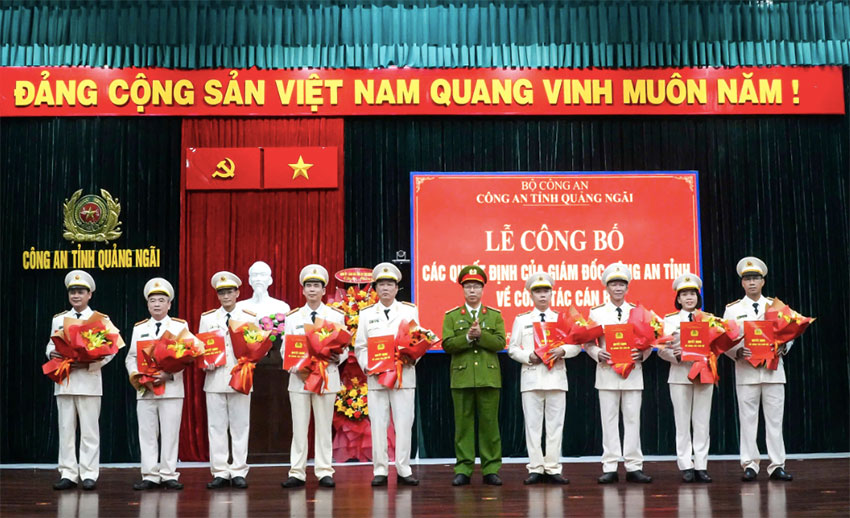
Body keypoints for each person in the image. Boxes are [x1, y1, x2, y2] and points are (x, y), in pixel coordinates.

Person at [723, 256, 793, 482]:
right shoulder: (733, 309)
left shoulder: (775, 306)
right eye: (747, 279)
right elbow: (724, 340)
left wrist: (784, 347)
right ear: (742, 283)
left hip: (773, 371)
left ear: (763, 281)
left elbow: (790, 334)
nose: (752, 282)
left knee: (775, 421)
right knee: (748, 419)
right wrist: (735, 352)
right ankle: (750, 464)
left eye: (755, 278)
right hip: (746, 372)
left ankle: (777, 465)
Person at [507, 271, 581, 485]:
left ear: (551, 293)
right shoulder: (522, 320)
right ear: (531, 294)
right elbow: (512, 348)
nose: (542, 295)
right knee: (532, 426)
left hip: (556, 377)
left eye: (545, 291)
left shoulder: (562, 318)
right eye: (537, 291)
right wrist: (527, 357)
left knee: (555, 426)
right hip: (531, 378)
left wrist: (563, 351)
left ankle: (553, 468)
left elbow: (577, 345)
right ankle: (536, 468)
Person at [46, 270, 115, 491]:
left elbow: (111, 350)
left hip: (89, 379)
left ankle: (89, 473)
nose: (76, 296)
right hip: (64, 380)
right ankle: (68, 473)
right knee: (66, 429)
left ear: (89, 295)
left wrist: (89, 363)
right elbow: (50, 345)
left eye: (80, 292)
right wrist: (51, 354)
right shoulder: (58, 319)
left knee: (89, 431)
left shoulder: (100, 319)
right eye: (73, 292)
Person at [281, 265, 348, 489]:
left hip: (326, 377)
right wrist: (297, 366)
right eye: (308, 286)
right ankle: (297, 472)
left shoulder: (335, 316)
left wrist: (336, 357)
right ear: (302, 290)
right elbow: (285, 349)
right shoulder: (293, 317)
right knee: (299, 428)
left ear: (323, 290)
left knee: (323, 426)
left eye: (316, 286)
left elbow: (345, 347)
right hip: (299, 379)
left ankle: (324, 470)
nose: (312, 290)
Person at [354, 262, 420, 486]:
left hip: (403, 376)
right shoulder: (366, 315)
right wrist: (367, 365)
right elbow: (360, 347)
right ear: (375, 288)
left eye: (389, 284)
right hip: (377, 378)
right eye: (381, 284)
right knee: (378, 424)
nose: (385, 288)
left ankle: (403, 468)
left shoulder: (410, 311)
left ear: (396, 288)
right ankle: (380, 469)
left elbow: (418, 341)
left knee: (403, 424)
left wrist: (412, 357)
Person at [586, 263, 653, 484]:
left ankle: (634, 466)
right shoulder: (596, 313)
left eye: (622, 284)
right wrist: (597, 352)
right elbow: (587, 342)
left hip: (632, 373)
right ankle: (610, 466)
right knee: (609, 420)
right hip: (607, 372)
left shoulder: (638, 312)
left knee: (633, 420)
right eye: (614, 284)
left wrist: (642, 354)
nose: (618, 288)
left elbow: (650, 342)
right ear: (607, 287)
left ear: (627, 287)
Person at [442, 265, 506, 486]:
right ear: (463, 289)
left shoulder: (494, 315)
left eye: (476, 287)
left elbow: (500, 343)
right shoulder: (451, 316)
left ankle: (491, 469)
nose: (472, 291)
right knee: (463, 426)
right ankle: (464, 468)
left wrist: (481, 335)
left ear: (482, 289)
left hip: (489, 378)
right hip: (462, 378)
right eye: (468, 286)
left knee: (490, 425)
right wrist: (468, 338)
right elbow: (447, 344)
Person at [125, 278, 188, 490]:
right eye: (153, 300)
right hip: (146, 390)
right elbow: (131, 357)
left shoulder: (180, 326)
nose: (157, 304)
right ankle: (150, 474)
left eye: (161, 300)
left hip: (171, 388)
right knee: (147, 432)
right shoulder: (139, 328)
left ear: (170, 304)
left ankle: (169, 474)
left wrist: (168, 374)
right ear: (147, 304)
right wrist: (137, 375)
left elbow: (188, 355)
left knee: (170, 433)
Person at [199, 271, 256, 490]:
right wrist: (206, 361)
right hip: (215, 378)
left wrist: (250, 359)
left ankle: (239, 470)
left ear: (238, 293)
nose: (226, 296)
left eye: (229, 292)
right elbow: (201, 348)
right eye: (221, 292)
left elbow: (256, 346)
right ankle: (220, 471)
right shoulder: (207, 318)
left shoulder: (249, 316)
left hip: (240, 376)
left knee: (240, 426)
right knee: (216, 427)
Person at [658, 274, 713, 483]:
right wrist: (676, 356)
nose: (689, 298)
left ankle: (701, 465)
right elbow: (661, 349)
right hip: (680, 374)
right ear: (678, 299)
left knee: (702, 421)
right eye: (684, 294)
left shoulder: (709, 319)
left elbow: (717, 345)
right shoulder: (669, 320)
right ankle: (686, 465)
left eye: (692, 294)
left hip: (704, 374)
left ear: (697, 297)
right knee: (682, 422)